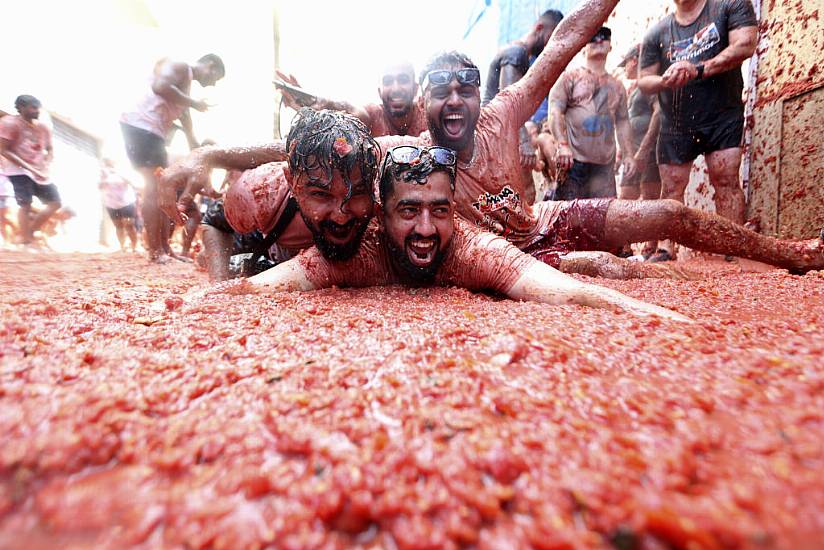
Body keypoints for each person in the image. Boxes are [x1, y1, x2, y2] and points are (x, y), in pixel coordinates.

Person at [159, 0, 824, 278]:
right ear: (423, 104)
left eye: (464, 91)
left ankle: (788, 253)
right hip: (491, 258)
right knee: (596, 271)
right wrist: (213, 152)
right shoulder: (404, 148)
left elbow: (565, 42)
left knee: (670, 214)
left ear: (480, 94)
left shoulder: (506, 111)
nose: (455, 103)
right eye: (441, 93)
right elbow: (303, 154)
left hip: (547, 221)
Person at [236, 145, 687, 321]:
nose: (427, 229)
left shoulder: (474, 251)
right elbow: (252, 291)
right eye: (409, 211)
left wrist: (662, 317)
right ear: (380, 214)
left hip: (529, 228)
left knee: (611, 258)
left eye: (440, 211)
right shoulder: (351, 252)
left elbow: (566, 292)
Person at [638, 0, 758, 259]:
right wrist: (665, 79)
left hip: (722, 114)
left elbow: (746, 43)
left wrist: (699, 69)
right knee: (671, 187)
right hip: (676, 120)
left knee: (725, 178)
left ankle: (733, 245)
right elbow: (643, 80)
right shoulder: (657, 32)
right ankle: (665, 249)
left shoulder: (729, 5)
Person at [202, 109, 380, 281]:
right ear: (292, 182)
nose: (341, 217)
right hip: (261, 241)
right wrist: (218, 281)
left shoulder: (386, 190)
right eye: (321, 194)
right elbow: (214, 222)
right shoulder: (262, 193)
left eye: (356, 193)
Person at [120, 54, 225, 263]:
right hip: (142, 126)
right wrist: (194, 103)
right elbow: (160, 86)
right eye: (215, 78)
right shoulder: (181, 66)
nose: (211, 84)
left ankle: (166, 249)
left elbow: (188, 127)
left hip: (153, 132)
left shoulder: (184, 88)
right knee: (153, 186)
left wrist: (199, 150)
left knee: (161, 187)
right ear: (210, 65)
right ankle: (155, 251)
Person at [483, 9, 564, 204]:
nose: (549, 46)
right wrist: (524, 142)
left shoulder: (520, 55)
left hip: (499, 132)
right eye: (549, 38)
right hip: (495, 133)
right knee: (523, 194)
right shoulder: (516, 53)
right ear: (538, 28)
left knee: (520, 195)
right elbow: (509, 102)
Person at [549, 26, 637, 200]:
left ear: (610, 46)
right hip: (574, 163)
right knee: (568, 218)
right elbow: (555, 111)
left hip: (604, 168)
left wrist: (628, 155)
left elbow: (623, 122)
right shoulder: (570, 77)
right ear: (584, 46)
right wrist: (562, 145)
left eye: (604, 37)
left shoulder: (618, 86)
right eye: (593, 37)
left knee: (602, 220)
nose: (598, 40)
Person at [277, 61, 427, 138]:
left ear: (415, 88)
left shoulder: (428, 114)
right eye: (388, 81)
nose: (395, 88)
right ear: (380, 92)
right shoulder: (372, 117)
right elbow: (351, 112)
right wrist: (313, 107)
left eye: (403, 79)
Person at [616, 44, 662, 259]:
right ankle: (624, 247)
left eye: (625, 64)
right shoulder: (633, 88)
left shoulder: (648, 85)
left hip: (648, 151)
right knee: (625, 198)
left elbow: (658, 113)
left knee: (651, 198)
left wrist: (643, 150)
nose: (624, 69)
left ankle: (651, 247)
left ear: (633, 61)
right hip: (630, 154)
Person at [0, 95, 61, 248]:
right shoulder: (9, 123)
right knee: (25, 204)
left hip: (39, 170)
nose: (36, 111)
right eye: (32, 107)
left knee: (55, 202)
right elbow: (3, 150)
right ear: (20, 108)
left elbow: (50, 148)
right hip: (18, 170)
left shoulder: (43, 127)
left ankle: (28, 234)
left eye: (38, 107)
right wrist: (29, 168)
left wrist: (47, 162)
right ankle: (26, 240)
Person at [98, 159, 139, 252]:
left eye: (108, 165)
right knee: (118, 226)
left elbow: (132, 183)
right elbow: (99, 187)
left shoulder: (122, 171)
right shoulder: (103, 175)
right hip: (111, 203)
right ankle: (122, 246)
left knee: (129, 224)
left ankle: (134, 246)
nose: (107, 167)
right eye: (105, 165)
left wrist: (118, 173)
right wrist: (104, 178)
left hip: (126, 202)